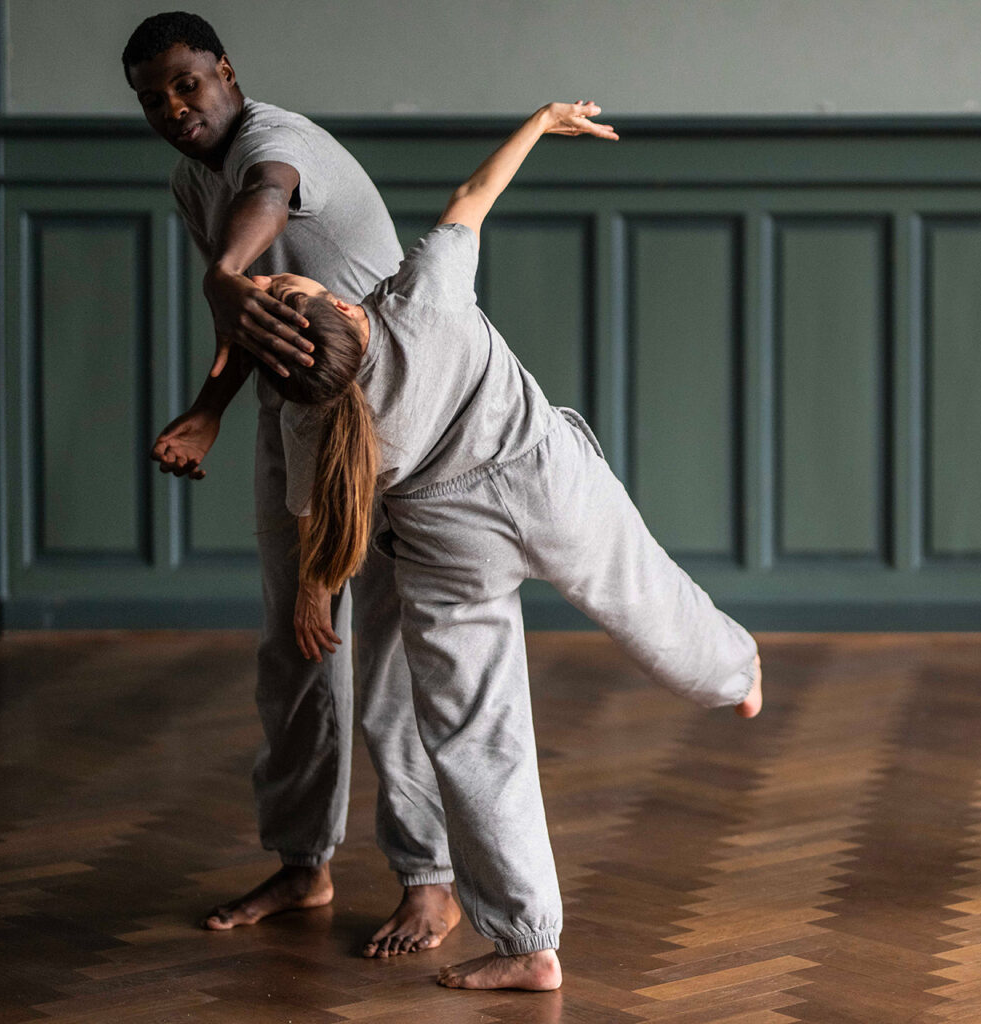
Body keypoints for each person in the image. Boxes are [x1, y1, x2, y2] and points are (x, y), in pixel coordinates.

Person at [256, 100, 763, 991]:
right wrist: (540, 122)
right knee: (648, 597)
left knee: (475, 735)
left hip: (444, 539)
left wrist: (309, 595)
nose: (271, 285)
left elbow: (316, 524)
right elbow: (472, 194)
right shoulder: (421, 300)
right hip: (544, 481)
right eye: (281, 290)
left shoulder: (309, 413)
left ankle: (531, 943)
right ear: (338, 299)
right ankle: (736, 676)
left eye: (273, 291)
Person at [123, 11, 458, 956]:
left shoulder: (276, 143)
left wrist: (223, 272)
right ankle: (304, 862)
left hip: (388, 412)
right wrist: (210, 408)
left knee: (388, 653)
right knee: (300, 644)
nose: (174, 107)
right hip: (291, 406)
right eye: (153, 98)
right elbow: (256, 318)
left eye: (187, 83)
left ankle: (429, 879)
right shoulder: (193, 178)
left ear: (225, 71)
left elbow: (267, 201)